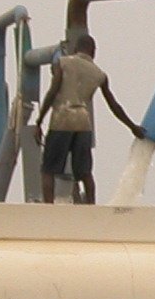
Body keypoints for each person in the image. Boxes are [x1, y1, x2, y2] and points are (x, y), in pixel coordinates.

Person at [38, 35, 142, 205]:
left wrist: (39, 120)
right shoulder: (99, 74)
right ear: (93, 51)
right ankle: (91, 208)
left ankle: (48, 208)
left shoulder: (62, 63)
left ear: (75, 48)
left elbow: (53, 91)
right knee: (85, 172)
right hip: (84, 123)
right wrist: (132, 126)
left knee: (48, 169)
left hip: (62, 118)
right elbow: (114, 105)